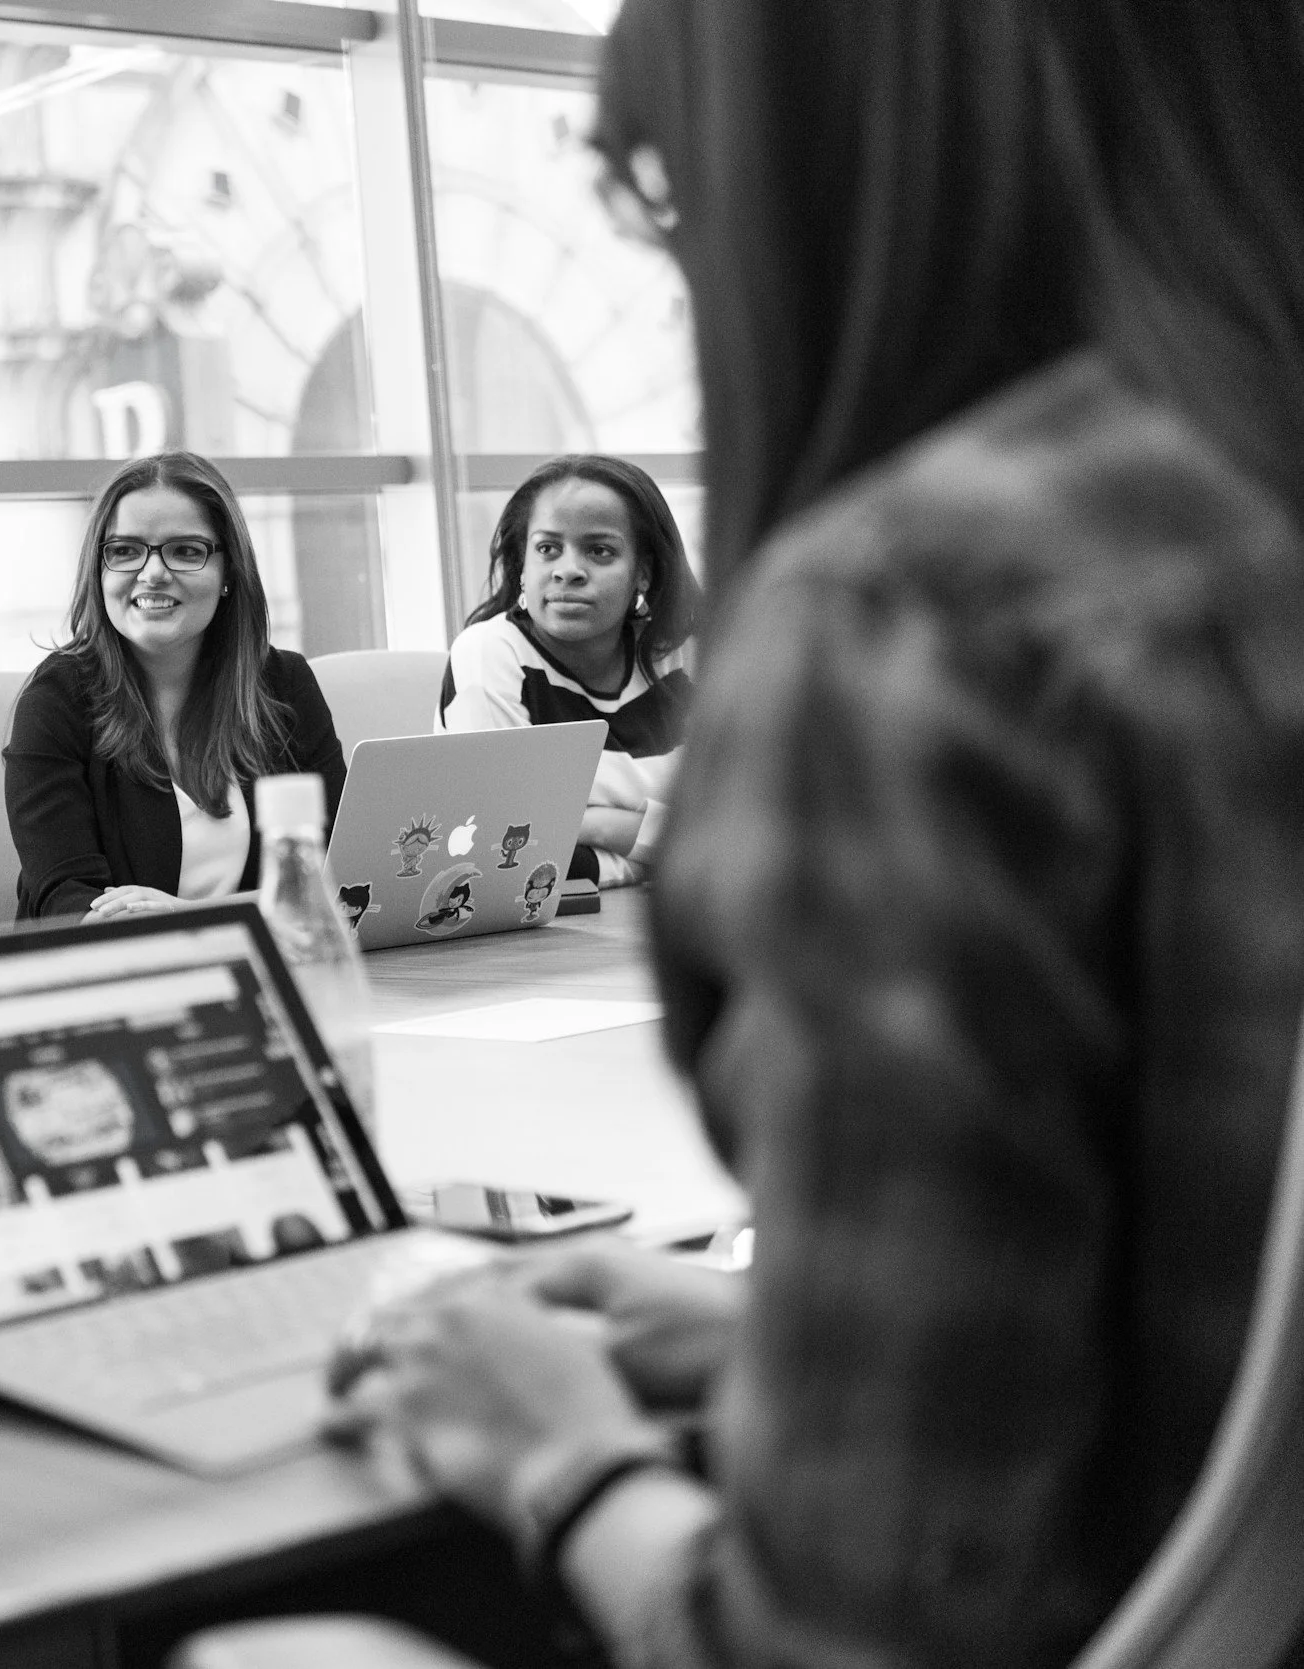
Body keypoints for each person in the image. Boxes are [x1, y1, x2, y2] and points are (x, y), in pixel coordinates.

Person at [329, 3, 1304, 1669]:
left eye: (662, 192)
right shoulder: (1236, 496)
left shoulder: (932, 608)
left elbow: (854, 1640)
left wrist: (559, 1457)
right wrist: (776, 1331)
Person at [5, 450, 344, 920]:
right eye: (125, 551)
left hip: (270, 969)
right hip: (112, 980)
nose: (153, 573)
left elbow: (337, 866)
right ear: (98, 571)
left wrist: (190, 917)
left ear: (229, 573)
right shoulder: (56, 699)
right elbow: (63, 897)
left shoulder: (282, 686)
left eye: (186, 550)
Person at [437, 455, 702, 888]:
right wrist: (654, 856)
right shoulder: (491, 654)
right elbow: (505, 849)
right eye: (547, 549)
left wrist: (595, 826)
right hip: (525, 940)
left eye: (600, 551)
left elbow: (739, 828)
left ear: (643, 572)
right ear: (521, 567)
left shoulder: (683, 657)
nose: (568, 571)